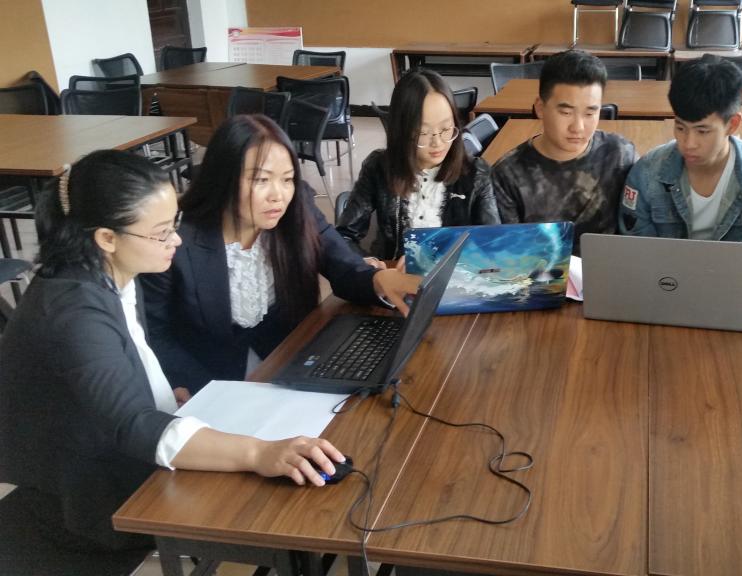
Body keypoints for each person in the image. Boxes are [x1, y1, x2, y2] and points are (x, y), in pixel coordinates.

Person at [0, 150, 350, 551]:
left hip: (115, 445)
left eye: (175, 225)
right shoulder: (74, 312)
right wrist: (259, 453)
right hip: (87, 494)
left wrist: (161, 392)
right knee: (271, 511)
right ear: (107, 238)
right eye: (162, 232)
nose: (177, 240)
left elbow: (128, 357)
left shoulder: (110, 271)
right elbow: (132, 424)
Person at [142, 115, 421, 394]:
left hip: (292, 364)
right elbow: (155, 331)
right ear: (223, 178)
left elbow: (342, 265)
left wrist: (378, 280)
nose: (278, 195)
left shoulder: (296, 207)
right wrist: (193, 388)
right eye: (261, 179)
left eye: (287, 179)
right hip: (211, 383)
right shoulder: (175, 239)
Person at [336, 69, 499, 262]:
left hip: (457, 276)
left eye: (446, 128)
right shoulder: (379, 167)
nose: (437, 142)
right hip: (395, 275)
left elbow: (493, 245)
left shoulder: (475, 173)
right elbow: (343, 237)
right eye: (423, 133)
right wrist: (371, 266)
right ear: (401, 130)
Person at [619, 56, 742, 240]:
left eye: (702, 131)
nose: (688, 143)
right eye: (680, 128)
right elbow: (636, 247)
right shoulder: (647, 172)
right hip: (661, 261)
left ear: (732, 124)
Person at [491, 49, 637, 252]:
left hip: (608, 267)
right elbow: (511, 252)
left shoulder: (620, 155)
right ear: (540, 108)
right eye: (566, 112)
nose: (578, 127)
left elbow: (636, 232)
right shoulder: (508, 174)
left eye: (590, 113)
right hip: (541, 269)